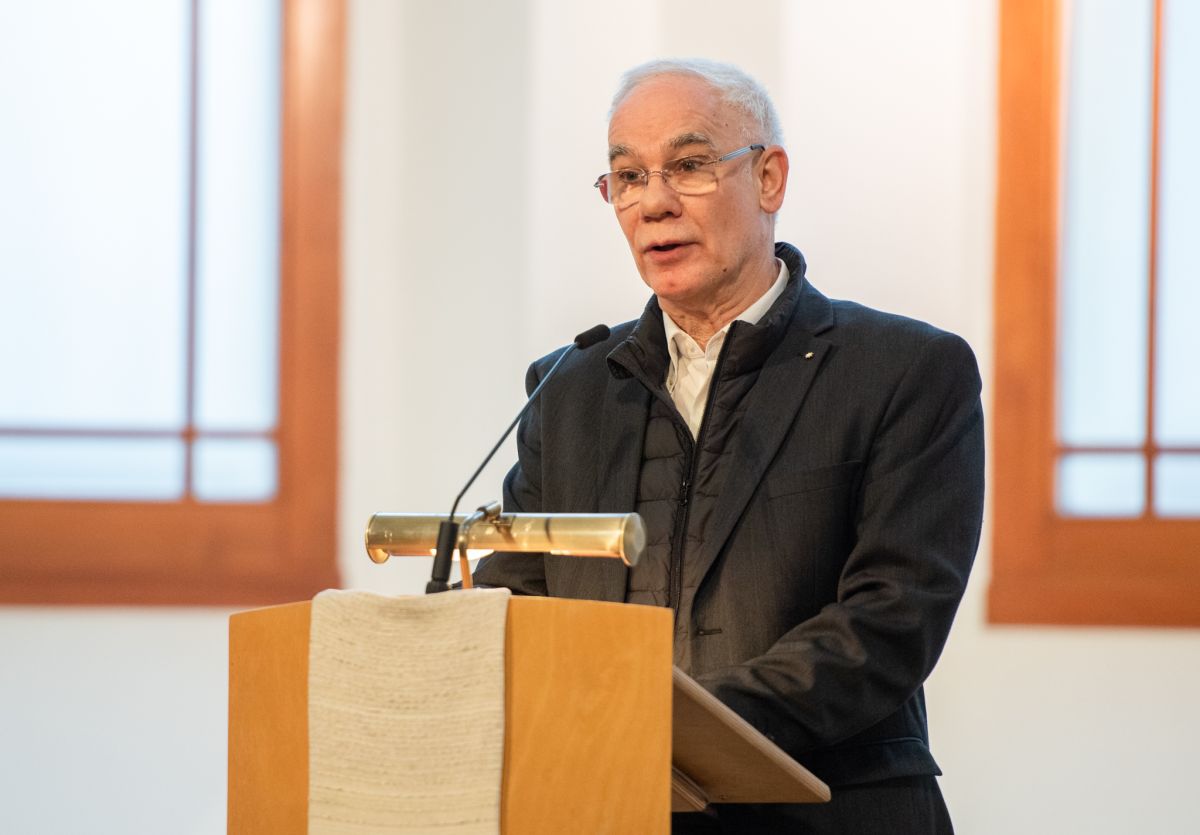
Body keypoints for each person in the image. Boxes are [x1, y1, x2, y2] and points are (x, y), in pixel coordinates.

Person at [473, 58, 984, 834]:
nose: (654, 202)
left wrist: (674, 723)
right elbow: (519, 599)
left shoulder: (903, 371)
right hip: (611, 806)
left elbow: (891, 618)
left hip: (829, 811)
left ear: (769, 178)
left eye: (688, 165)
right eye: (627, 176)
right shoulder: (569, 389)